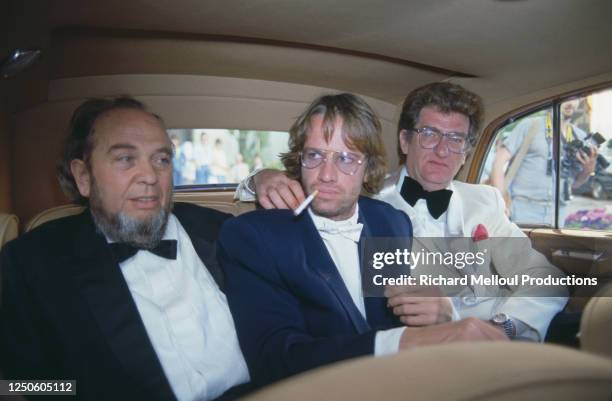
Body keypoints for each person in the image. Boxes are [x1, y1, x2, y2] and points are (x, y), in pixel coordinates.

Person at [236, 83, 567, 342]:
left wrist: (503, 327)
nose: (442, 150)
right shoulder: (364, 203)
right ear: (405, 140)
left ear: (466, 152)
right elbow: (317, 181)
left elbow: (546, 280)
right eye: (429, 134)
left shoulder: (485, 201)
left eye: (455, 139)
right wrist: (259, 179)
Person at [219, 93, 509, 388]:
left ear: (368, 166)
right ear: (300, 159)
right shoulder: (253, 236)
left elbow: (395, 318)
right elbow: (274, 360)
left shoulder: (391, 222)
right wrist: (402, 343)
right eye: (315, 155)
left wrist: (445, 320)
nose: (327, 175)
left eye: (346, 158)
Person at [0, 97, 250, 401]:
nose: (149, 176)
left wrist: (263, 181)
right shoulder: (33, 263)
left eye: (161, 159)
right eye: (125, 159)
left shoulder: (223, 230)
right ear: (84, 177)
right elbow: (14, 386)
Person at [489, 99, 598, 225]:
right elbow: (498, 161)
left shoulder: (580, 137)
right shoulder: (530, 126)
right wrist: (501, 202)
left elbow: (575, 184)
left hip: (558, 212)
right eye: (567, 98)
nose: (571, 103)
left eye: (575, 98)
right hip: (523, 209)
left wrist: (588, 169)